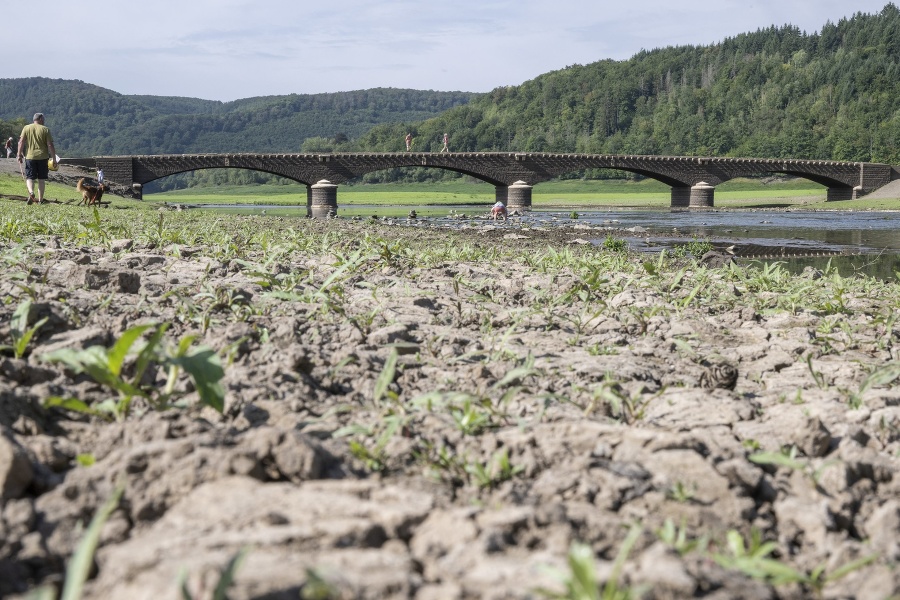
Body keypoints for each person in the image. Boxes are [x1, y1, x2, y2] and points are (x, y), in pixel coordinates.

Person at [17, 113, 57, 205]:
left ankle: (31, 192)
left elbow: (21, 142)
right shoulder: (45, 129)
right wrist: (54, 159)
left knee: (30, 177)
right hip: (43, 157)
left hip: (30, 157)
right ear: (40, 119)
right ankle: (40, 200)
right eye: (43, 119)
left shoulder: (26, 128)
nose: (44, 120)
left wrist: (19, 155)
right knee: (41, 179)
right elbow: (50, 145)